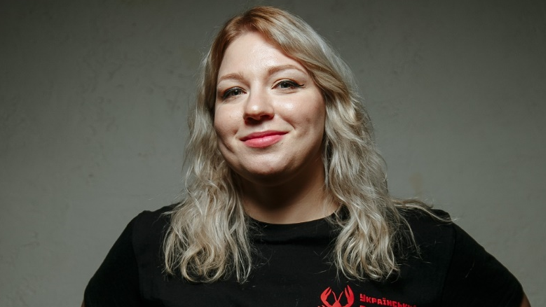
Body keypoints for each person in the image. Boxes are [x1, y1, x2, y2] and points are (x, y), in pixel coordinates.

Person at [83, 6, 530, 307]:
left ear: (331, 105)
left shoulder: (425, 243)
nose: (256, 108)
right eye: (232, 91)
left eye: (286, 83)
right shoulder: (152, 247)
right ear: (214, 120)